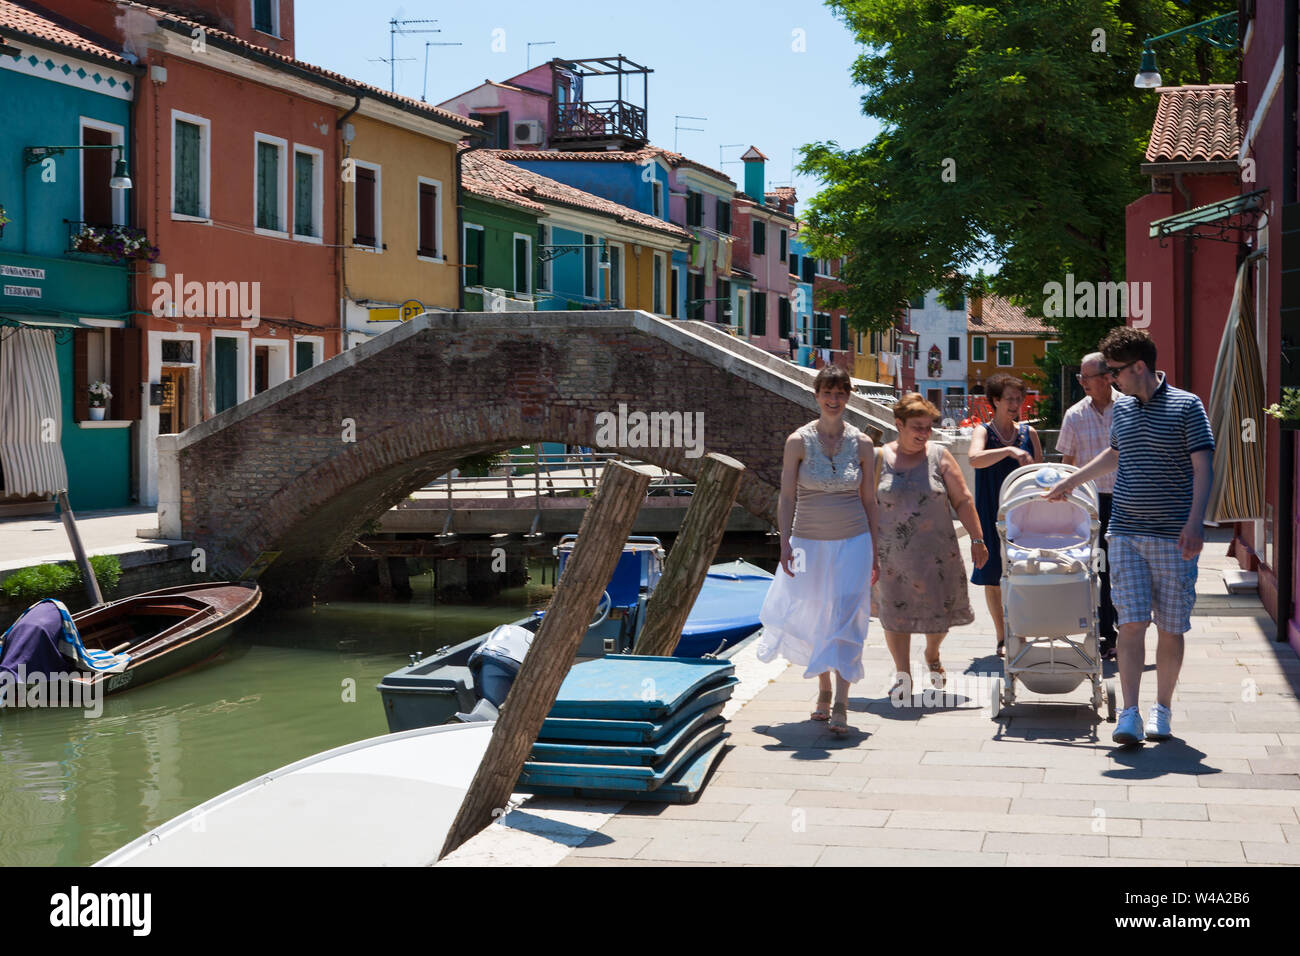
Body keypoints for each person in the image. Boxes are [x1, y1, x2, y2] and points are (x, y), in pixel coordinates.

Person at [1046, 327, 1213, 746]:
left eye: (1115, 370)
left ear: (1140, 366)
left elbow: (1204, 468)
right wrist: (1072, 480)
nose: (1111, 379)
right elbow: (1114, 454)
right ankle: (1130, 714)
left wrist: (1196, 523)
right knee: (1131, 623)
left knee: (1171, 628)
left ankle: (1163, 709)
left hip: (1175, 536)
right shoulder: (1123, 411)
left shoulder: (1187, 406)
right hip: (1125, 531)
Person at [758, 364, 880, 735]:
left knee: (847, 615)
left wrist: (877, 549)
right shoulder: (797, 441)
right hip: (808, 541)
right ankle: (823, 688)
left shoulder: (863, 444)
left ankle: (841, 702)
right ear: (817, 395)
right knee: (814, 615)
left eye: (841, 393)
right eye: (828, 393)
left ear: (848, 397)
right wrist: (784, 540)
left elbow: (870, 500)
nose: (834, 399)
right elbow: (788, 496)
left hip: (854, 540)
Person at [872, 393, 986, 696]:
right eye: (917, 427)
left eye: (928, 427)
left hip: (937, 556)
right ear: (899, 424)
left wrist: (977, 539)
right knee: (895, 616)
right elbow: (864, 506)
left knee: (939, 616)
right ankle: (903, 674)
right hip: (892, 556)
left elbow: (962, 499)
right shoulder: (877, 458)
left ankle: (932, 653)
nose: (924, 433)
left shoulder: (939, 455)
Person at [967, 373, 1043, 657]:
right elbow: (975, 459)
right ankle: (1002, 636)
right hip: (990, 510)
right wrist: (1009, 450)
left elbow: (1039, 472)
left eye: (1018, 398)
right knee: (992, 577)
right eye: (1009, 399)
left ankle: (1020, 630)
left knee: (1024, 574)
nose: (1015, 404)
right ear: (995, 401)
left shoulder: (1029, 433)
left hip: (1023, 514)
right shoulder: (983, 432)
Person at [1056, 352, 1122, 660]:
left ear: (1107, 377)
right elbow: (1067, 465)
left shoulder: (1128, 408)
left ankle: (1124, 628)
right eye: (1080, 378)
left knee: (1123, 568)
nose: (1082, 383)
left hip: (1125, 500)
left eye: (1088, 377)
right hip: (1090, 504)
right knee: (1099, 567)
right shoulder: (1074, 415)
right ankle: (1106, 633)